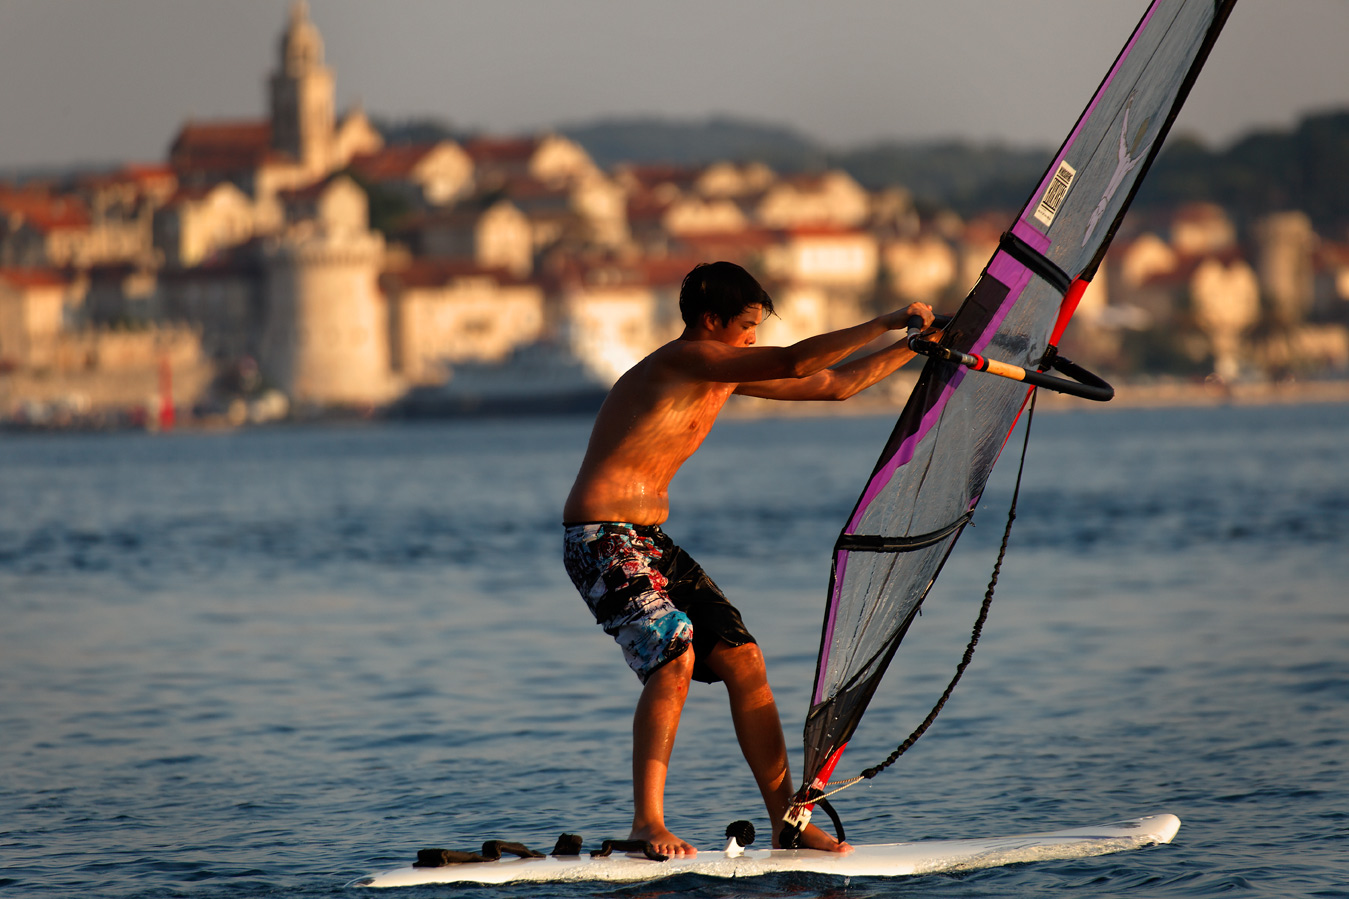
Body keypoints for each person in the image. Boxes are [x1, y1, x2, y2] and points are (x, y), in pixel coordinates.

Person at [562, 261, 936, 858]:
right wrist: (888, 321)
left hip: (651, 540)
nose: (752, 338)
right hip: (600, 540)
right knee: (674, 658)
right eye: (745, 325)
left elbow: (834, 386)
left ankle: (788, 821)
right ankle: (646, 825)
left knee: (746, 660)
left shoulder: (721, 374)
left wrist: (914, 348)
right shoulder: (682, 361)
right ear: (710, 321)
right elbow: (794, 363)